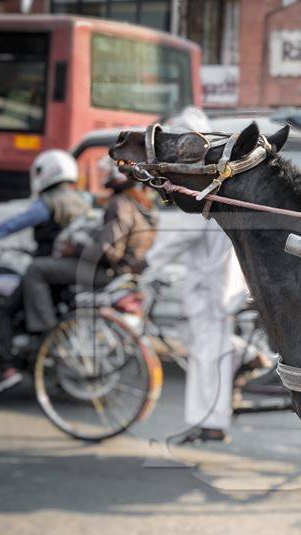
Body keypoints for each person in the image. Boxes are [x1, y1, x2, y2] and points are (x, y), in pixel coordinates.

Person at [144, 108, 253, 445]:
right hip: (221, 283)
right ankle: (245, 357)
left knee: (207, 356)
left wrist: (146, 268)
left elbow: (175, 239)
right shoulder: (215, 180)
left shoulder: (198, 187)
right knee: (207, 350)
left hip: (210, 287)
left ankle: (211, 423)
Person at [0, 149, 90, 396]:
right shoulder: (81, 200)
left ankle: (7, 370)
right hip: (65, 272)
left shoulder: (48, 202)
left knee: (5, 309)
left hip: (44, 271)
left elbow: (14, 224)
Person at [93, 156, 158, 275]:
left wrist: (75, 249)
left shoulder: (118, 204)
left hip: (119, 273)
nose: (105, 174)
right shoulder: (145, 204)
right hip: (139, 271)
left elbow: (110, 253)